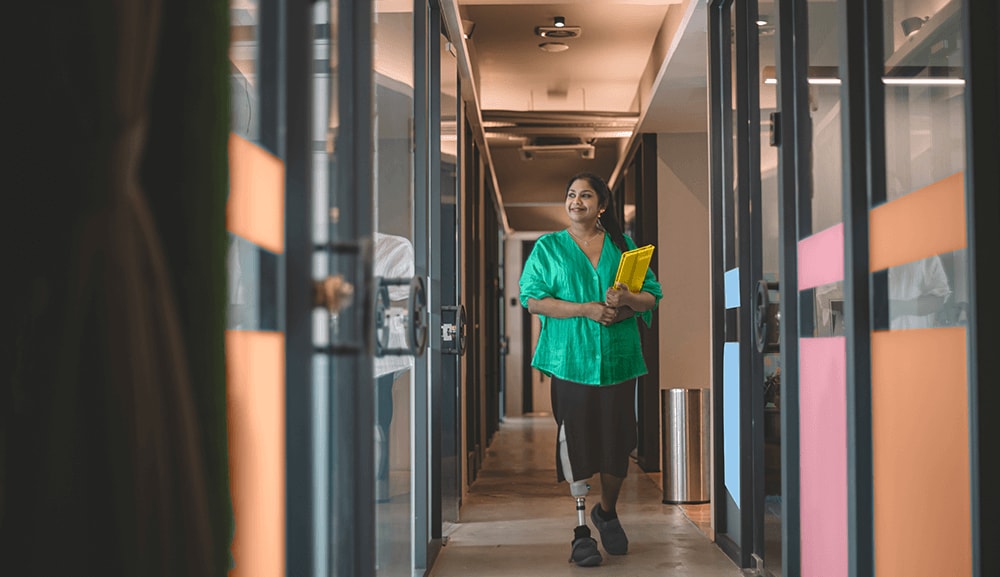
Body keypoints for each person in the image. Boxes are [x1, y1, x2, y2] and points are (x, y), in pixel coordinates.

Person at [519, 172, 662, 567]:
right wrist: (586, 308)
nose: (576, 201)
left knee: (619, 444)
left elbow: (651, 297)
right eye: (570, 195)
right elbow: (532, 300)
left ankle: (607, 511)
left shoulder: (623, 246)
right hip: (570, 361)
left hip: (619, 360)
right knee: (576, 442)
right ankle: (582, 530)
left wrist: (626, 299)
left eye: (585, 195)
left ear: (602, 206)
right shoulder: (548, 248)